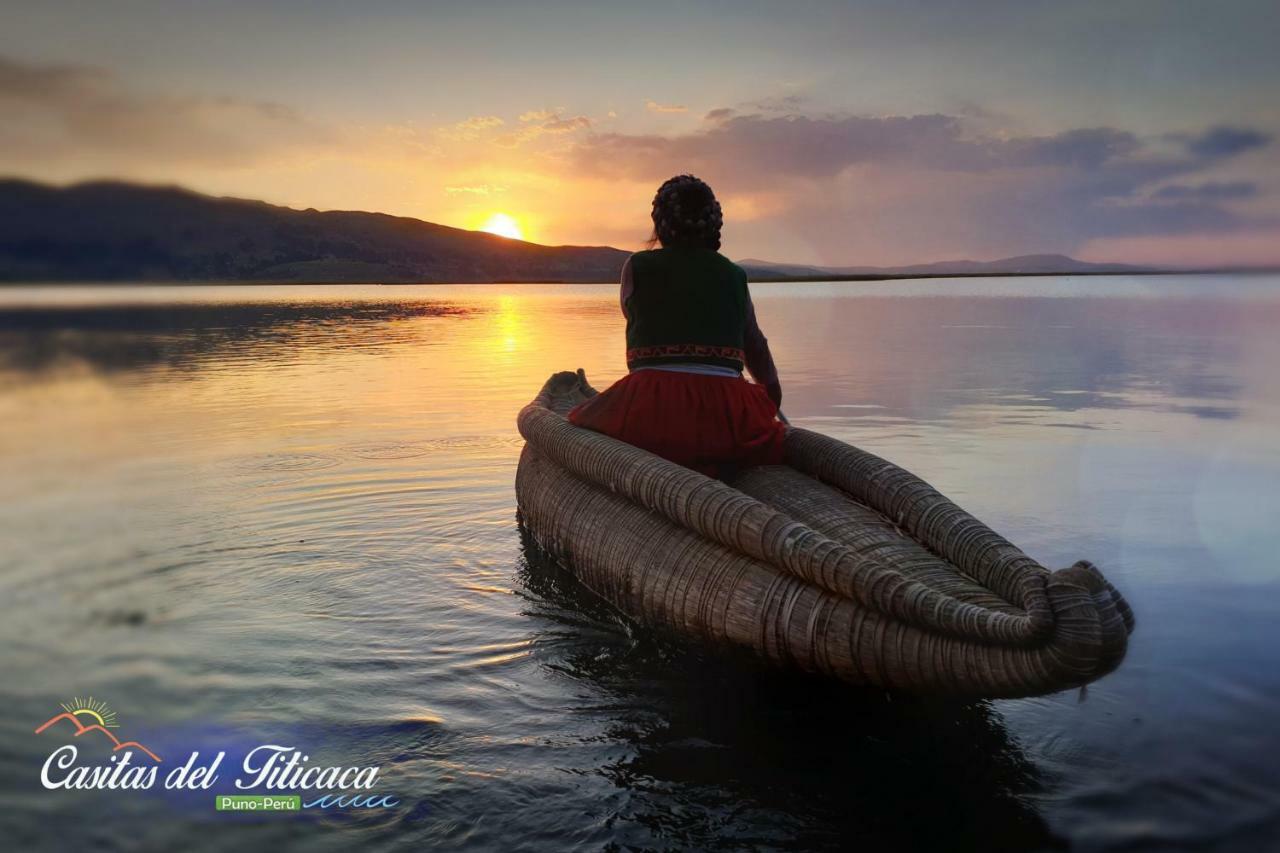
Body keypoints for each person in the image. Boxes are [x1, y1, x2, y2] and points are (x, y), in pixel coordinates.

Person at [568, 174, 786, 477]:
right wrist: (769, 401)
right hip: (723, 412)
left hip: (652, 408)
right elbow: (755, 345)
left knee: (580, 422)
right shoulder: (734, 275)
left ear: (660, 224)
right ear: (714, 225)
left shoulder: (637, 266)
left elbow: (633, 317)